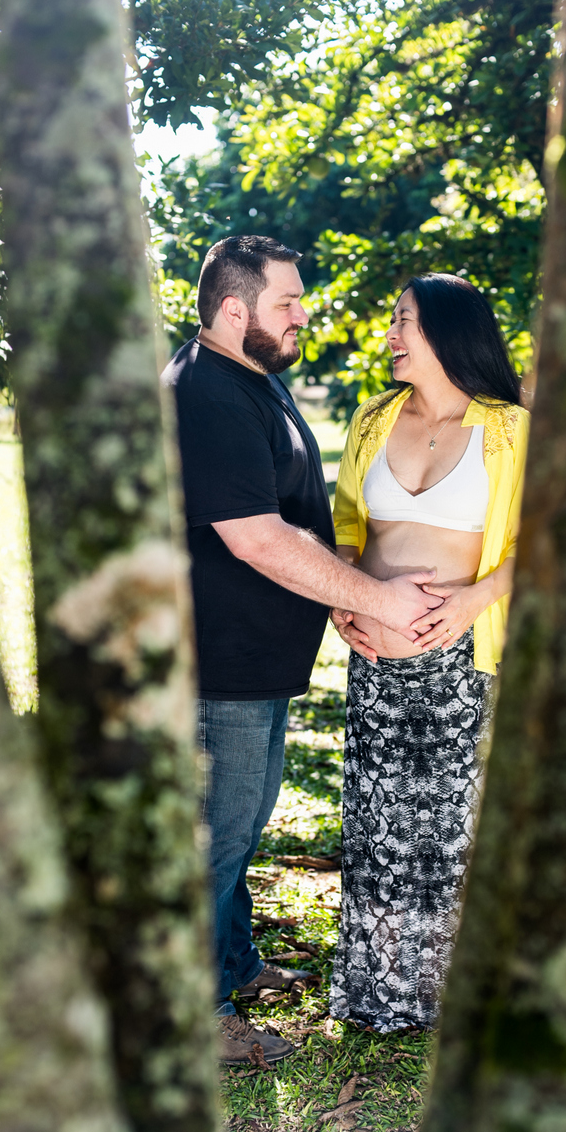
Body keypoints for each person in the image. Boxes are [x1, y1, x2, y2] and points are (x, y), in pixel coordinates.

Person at [162, 236, 443, 1063]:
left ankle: (235, 963)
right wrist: (376, 599)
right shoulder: (206, 394)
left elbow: (299, 518)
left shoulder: (252, 378)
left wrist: (344, 603)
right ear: (232, 309)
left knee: (238, 829)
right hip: (218, 664)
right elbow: (257, 539)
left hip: (255, 661)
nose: (302, 315)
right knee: (216, 835)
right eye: (287, 303)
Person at [329, 272, 529, 1032]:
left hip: (463, 661)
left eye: (402, 320)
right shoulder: (372, 418)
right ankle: (383, 994)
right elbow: (347, 526)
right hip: (375, 661)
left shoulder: (511, 429)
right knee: (380, 828)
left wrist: (476, 600)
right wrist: (348, 595)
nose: (389, 334)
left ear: (445, 331)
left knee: (455, 832)